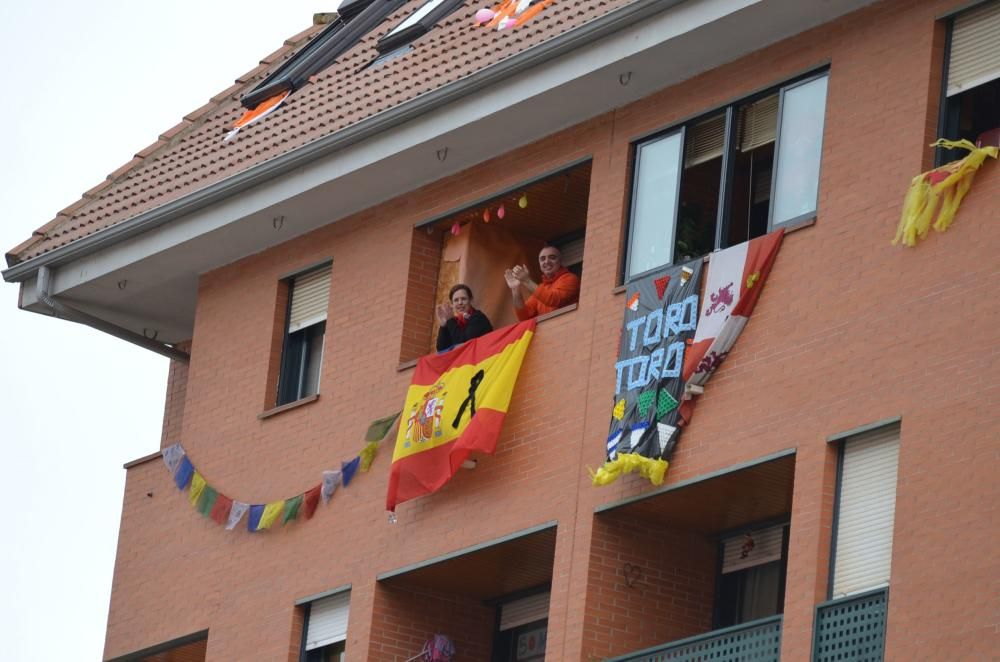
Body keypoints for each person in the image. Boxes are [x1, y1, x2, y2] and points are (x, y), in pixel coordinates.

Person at [504, 245, 580, 320]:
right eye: (542, 259)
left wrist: (526, 280)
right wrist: (515, 289)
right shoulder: (541, 287)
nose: (546, 261)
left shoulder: (570, 278)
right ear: (539, 264)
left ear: (560, 261)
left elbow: (553, 299)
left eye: (552, 257)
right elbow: (523, 316)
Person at [436, 284, 493, 352]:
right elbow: (441, 348)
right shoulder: (454, 321)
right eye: (456, 300)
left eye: (463, 299)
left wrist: (450, 320)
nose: (460, 303)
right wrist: (443, 326)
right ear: (452, 304)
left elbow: (463, 344)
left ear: (470, 300)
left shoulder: (478, 317)